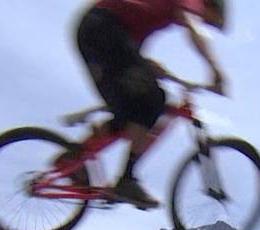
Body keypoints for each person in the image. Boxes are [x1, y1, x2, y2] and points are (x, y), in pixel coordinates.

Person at [75, 0, 228, 210]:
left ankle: (73, 157)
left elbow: (129, 54)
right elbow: (192, 26)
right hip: (104, 27)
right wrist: (216, 70)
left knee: (131, 114)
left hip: (95, 30)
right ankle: (126, 180)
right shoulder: (192, 2)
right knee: (152, 102)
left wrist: (153, 68)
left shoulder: (156, 11)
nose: (206, 24)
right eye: (210, 22)